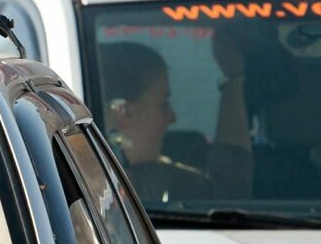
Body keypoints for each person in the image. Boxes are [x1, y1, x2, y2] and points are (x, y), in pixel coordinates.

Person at [100, 36, 253, 203]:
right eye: (163, 104)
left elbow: (227, 193)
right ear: (124, 112)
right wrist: (234, 78)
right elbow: (229, 195)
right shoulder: (151, 180)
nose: (173, 117)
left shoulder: (152, 176)